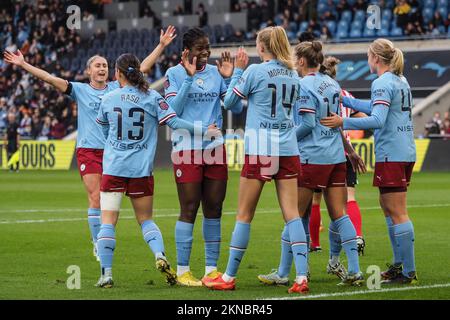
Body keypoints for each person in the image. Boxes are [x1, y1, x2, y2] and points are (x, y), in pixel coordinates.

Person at [3, 26, 178, 261]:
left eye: (105, 65)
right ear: (88, 71)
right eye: (97, 65)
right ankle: (99, 244)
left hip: (113, 153)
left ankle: (104, 241)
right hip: (88, 151)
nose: (102, 68)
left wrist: (162, 45)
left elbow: (142, 67)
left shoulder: (118, 88)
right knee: (95, 197)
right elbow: (48, 78)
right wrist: (24, 65)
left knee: (108, 202)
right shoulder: (80, 90)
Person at [95, 53, 220, 288]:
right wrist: (204, 129)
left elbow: (104, 132)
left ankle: (106, 274)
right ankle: (160, 255)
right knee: (146, 220)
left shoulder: (108, 98)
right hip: (141, 170)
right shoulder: (152, 97)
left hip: (113, 168)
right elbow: (176, 123)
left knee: (108, 222)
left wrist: (114, 148)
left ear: (117, 74)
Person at [204, 26, 310, 294]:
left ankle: (228, 277)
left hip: (261, 148)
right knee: (292, 214)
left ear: (262, 47)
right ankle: (301, 278)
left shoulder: (254, 71)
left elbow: (229, 103)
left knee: (244, 214)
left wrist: (237, 72)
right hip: (288, 148)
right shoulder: (293, 74)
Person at [259, 41, 365, 287]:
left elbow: (307, 125)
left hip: (311, 157)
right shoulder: (333, 84)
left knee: (293, 216)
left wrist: (282, 141)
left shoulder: (304, 84)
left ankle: (285, 272)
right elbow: (334, 122)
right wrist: (348, 150)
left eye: (297, 59)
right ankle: (355, 270)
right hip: (335, 158)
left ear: (302, 61)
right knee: (340, 214)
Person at [321, 38, 418, 284]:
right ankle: (399, 265)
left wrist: (344, 121)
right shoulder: (400, 80)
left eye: (368, 55)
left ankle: (409, 272)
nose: (367, 60)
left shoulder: (382, 82)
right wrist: (347, 101)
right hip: (405, 151)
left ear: (375, 58)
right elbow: (379, 107)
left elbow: (377, 119)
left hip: (392, 154)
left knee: (397, 212)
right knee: (389, 208)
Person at [164, 27, 242, 287]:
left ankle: (211, 270)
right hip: (186, 148)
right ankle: (183, 270)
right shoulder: (173, 74)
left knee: (214, 208)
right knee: (189, 207)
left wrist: (230, 80)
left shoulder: (215, 74)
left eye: (207, 48)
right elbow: (172, 115)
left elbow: (236, 106)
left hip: (215, 147)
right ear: (187, 52)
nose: (206, 53)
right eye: (200, 49)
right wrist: (187, 78)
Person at [308, 56, 367, 256]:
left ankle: (314, 243)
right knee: (348, 199)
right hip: (345, 154)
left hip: (321, 152)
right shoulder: (345, 94)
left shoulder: (315, 91)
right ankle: (357, 236)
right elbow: (363, 119)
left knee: (315, 200)